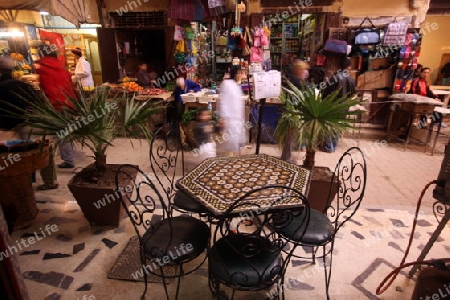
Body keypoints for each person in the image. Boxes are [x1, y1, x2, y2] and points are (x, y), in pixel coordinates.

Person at [35, 45, 77, 170]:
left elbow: (47, 89)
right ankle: (69, 155)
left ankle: (69, 160)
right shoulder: (62, 68)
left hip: (57, 106)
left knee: (61, 133)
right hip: (69, 103)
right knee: (66, 131)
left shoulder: (43, 69)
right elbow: (71, 86)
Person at [320, 58, 357, 153]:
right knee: (338, 126)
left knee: (330, 125)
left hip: (333, 105)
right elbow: (352, 93)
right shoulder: (351, 79)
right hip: (344, 107)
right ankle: (333, 146)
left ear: (340, 66)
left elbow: (326, 91)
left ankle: (329, 147)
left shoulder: (335, 77)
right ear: (349, 67)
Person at [216, 66, 246, 156]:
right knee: (229, 145)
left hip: (236, 119)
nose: (241, 75)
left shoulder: (236, 85)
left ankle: (229, 161)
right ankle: (227, 163)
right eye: (239, 73)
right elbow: (223, 101)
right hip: (229, 119)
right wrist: (223, 117)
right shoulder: (226, 84)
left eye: (241, 73)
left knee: (233, 145)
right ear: (235, 74)